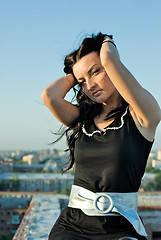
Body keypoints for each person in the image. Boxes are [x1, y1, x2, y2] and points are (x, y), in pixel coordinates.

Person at [41, 32, 161, 240]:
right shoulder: (82, 118)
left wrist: (106, 42)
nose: (90, 85)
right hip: (72, 225)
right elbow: (49, 96)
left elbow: (109, 59)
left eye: (96, 72)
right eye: (82, 82)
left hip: (120, 228)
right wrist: (78, 71)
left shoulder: (142, 116)